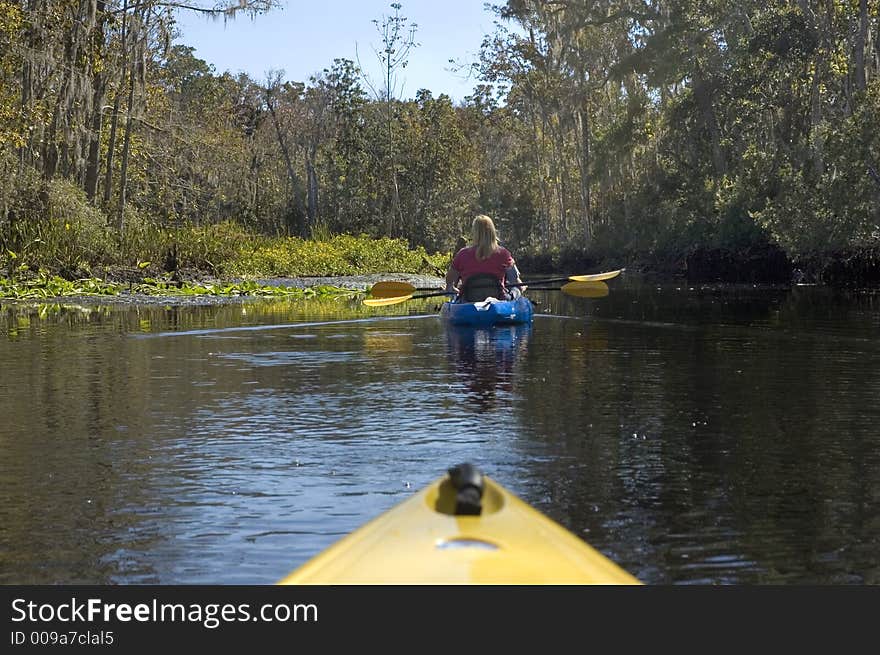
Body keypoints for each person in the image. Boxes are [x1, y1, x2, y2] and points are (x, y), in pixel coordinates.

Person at [445, 215, 526, 300]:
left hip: (468, 300)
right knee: (516, 289)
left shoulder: (462, 254)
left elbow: (449, 280)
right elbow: (515, 281)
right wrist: (521, 288)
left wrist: (451, 288)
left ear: (474, 233)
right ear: (492, 232)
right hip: (498, 300)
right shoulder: (504, 254)